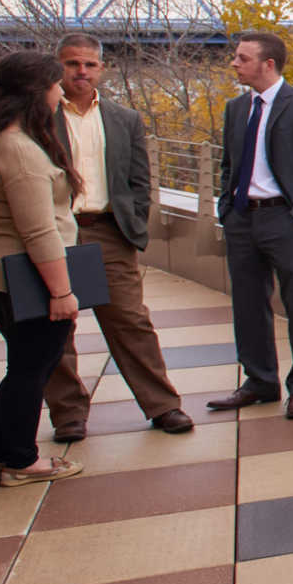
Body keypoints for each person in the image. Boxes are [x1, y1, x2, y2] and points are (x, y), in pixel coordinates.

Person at [41, 34, 193, 440]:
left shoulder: (124, 118)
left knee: (130, 321)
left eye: (90, 64)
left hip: (108, 231)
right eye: (73, 64)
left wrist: (133, 228)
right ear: (58, 67)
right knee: (57, 327)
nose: (81, 72)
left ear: (101, 69)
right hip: (54, 234)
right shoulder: (38, 117)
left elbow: (139, 180)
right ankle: (69, 415)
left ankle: (163, 406)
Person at [0, 50, 89, 487]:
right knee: (32, 370)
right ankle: (21, 461)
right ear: (37, 92)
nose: (60, 91)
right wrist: (63, 293)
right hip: (22, 279)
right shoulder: (21, 151)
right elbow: (39, 233)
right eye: (54, 84)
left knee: (26, 366)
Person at [206, 31, 293, 420]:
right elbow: (229, 164)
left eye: (242, 58)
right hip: (243, 219)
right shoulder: (235, 108)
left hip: (285, 220)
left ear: (268, 65)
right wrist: (227, 208)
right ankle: (259, 382)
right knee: (247, 304)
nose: (234, 63)